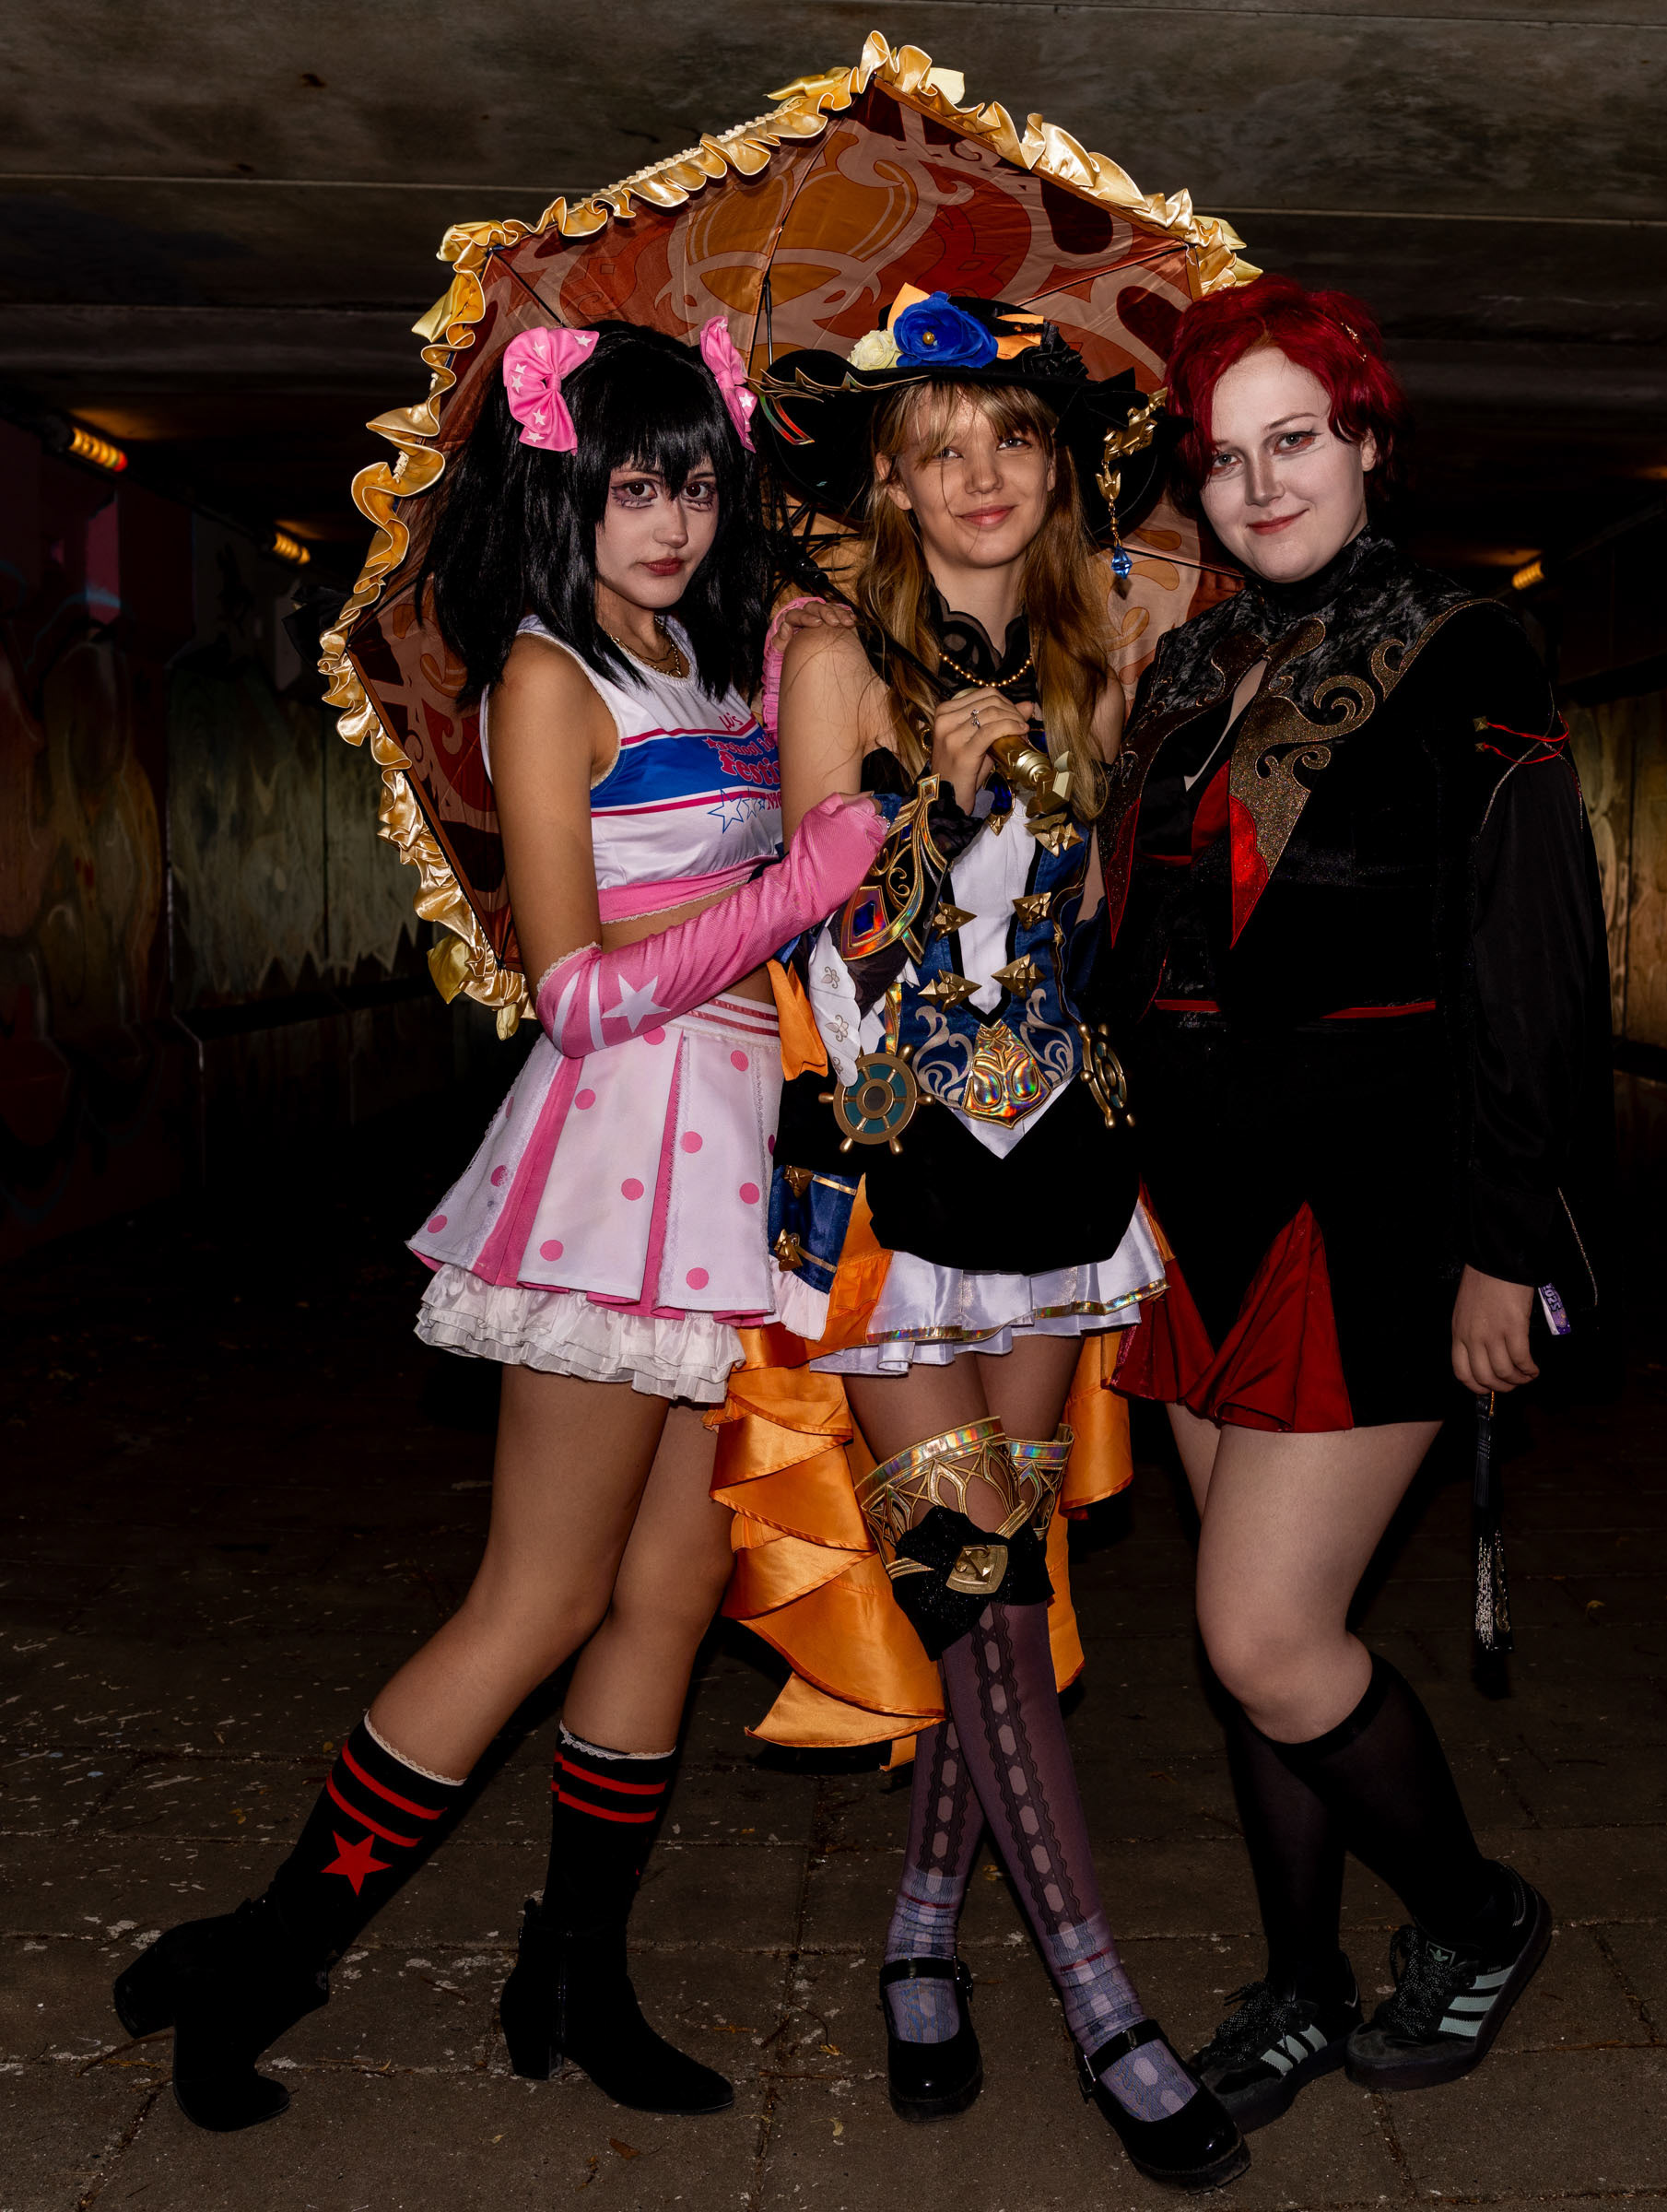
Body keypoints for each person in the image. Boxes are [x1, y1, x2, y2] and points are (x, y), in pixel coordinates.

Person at [112, 319, 886, 2133]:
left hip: (733, 1169)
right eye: (630, 484)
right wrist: (801, 875)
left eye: (694, 481)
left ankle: (574, 1974)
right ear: (561, 489)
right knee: (534, 1600)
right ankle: (263, 1957)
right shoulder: (551, 680)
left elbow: (805, 833)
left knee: (673, 1597)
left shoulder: (696, 672)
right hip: (617, 1162)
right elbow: (576, 991)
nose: (671, 519)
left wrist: (817, 677)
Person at [1093, 275, 1613, 2129]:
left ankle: (1476, 1916)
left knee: (1261, 1635)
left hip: (1381, 1206)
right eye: (1225, 460)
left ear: (1369, 438)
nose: (1259, 487)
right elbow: (1144, 951)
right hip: (1201, 1211)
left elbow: (1535, 964)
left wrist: (1508, 1235)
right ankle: (1303, 1981)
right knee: (1261, 1666)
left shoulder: (1475, 645)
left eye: (1292, 441)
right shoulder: (1181, 671)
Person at [749, 288, 1249, 2189]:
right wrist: (925, 811)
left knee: (1008, 1587)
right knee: (975, 1597)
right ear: (886, 477)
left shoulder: (1085, 648)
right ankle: (1108, 2004)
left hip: (1053, 1188)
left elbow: (1094, 921)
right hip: (890, 1194)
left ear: (1053, 473)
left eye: (1014, 443)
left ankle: (917, 1940)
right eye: (939, 448)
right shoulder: (831, 653)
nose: (977, 477)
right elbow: (817, 928)